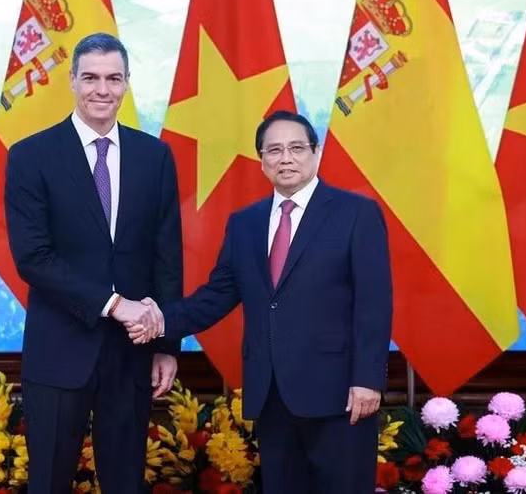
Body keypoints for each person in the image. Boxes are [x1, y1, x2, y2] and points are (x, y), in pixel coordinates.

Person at [128, 110, 393, 493]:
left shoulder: (356, 213)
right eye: (275, 150)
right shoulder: (245, 223)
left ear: (316, 153)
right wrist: (157, 320)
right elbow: (215, 297)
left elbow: (374, 302)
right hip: (272, 398)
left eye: (297, 148)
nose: (286, 158)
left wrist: (368, 380)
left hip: (341, 397)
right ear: (262, 160)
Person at [4, 32, 182, 493]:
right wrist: (113, 304)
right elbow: (33, 258)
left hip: (132, 353)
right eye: (91, 78)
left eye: (113, 78)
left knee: (126, 482)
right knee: (49, 482)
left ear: (126, 84)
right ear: (72, 81)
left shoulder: (155, 156)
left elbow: (167, 256)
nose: (102, 89)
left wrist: (167, 343)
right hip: (59, 348)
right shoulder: (29, 156)